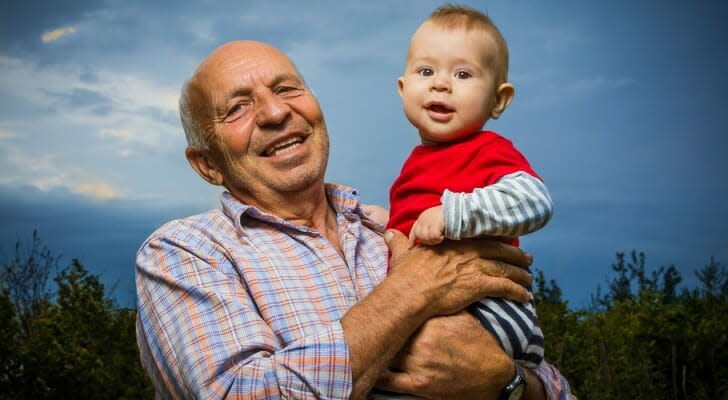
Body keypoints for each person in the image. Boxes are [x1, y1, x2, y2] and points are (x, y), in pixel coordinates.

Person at [135, 39, 574, 399]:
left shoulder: (391, 231)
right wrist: (413, 289)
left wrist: (509, 384)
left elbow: (553, 386)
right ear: (207, 164)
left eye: (287, 89)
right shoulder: (182, 253)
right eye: (237, 108)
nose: (275, 112)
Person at [387, 5, 553, 369]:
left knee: (409, 364)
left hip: (493, 307)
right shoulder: (414, 165)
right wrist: (382, 222)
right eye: (426, 70)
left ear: (498, 99)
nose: (441, 83)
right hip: (437, 305)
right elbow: (416, 225)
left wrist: (452, 214)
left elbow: (535, 200)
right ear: (403, 88)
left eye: (463, 74)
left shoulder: (487, 151)